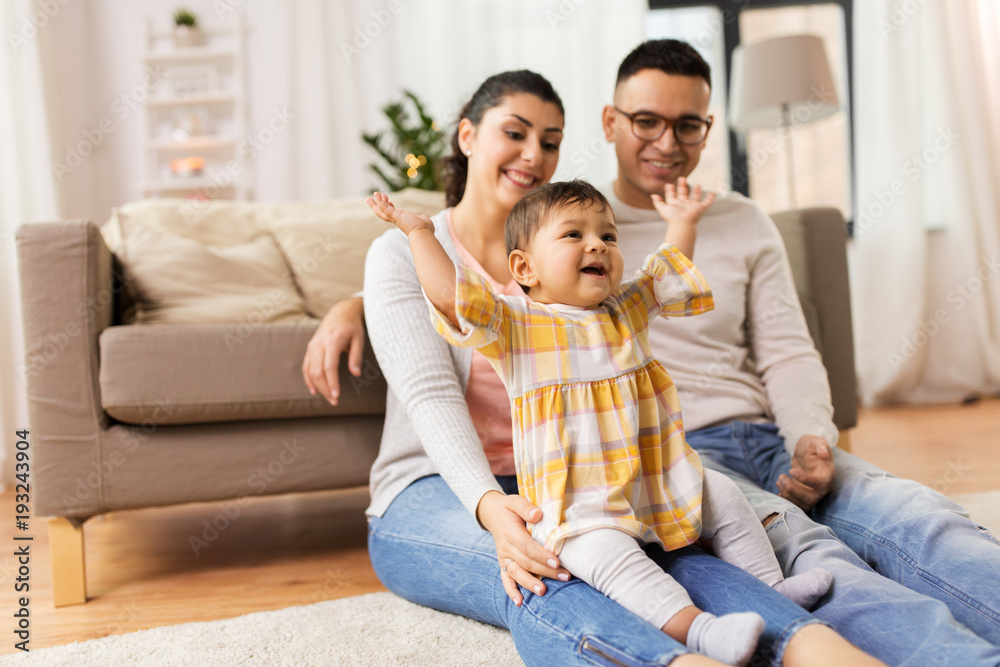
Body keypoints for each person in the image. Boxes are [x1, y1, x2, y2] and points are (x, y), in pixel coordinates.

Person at [305, 46, 1000, 666]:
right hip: (446, 486)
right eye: (513, 133)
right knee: (553, 568)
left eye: (549, 140)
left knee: (714, 551)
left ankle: (808, 645)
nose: (532, 154)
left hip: (583, 472)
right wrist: (492, 506)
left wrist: (804, 432)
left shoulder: (575, 248)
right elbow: (434, 373)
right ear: (468, 136)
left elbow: (668, 282)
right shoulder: (428, 252)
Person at [367, 178, 836, 665]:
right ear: (524, 268)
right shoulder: (515, 325)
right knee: (618, 565)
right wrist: (419, 231)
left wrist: (682, 221)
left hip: (653, 484)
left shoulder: (624, 311)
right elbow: (450, 295)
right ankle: (699, 632)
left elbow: (665, 272)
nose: (597, 244)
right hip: (579, 510)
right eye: (573, 235)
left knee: (724, 496)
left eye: (608, 236)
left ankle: (774, 589)